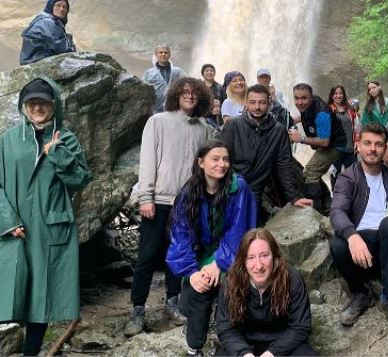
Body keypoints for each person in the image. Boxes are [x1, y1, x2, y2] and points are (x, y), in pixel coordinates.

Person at [0, 78, 93, 356]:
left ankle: (31, 353)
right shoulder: (8, 140)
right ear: (24, 106)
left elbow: (80, 179)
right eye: (32, 102)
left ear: (54, 105)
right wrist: (7, 221)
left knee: (41, 299)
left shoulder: (66, 139)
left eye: (44, 102)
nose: (38, 107)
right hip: (9, 232)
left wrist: (58, 154)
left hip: (49, 231)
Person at [126, 77, 215, 336]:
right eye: (184, 92)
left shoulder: (203, 128)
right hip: (160, 200)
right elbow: (148, 161)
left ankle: (172, 303)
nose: (189, 96)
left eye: (194, 93)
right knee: (147, 255)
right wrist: (146, 197)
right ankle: (138, 309)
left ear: (200, 97)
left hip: (188, 202)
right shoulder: (158, 121)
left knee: (179, 254)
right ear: (175, 95)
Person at [166, 141, 257, 356]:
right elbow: (180, 237)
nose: (222, 164)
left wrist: (219, 263)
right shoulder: (189, 193)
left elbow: (239, 230)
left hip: (236, 252)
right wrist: (192, 272)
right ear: (201, 162)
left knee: (232, 284)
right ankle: (194, 347)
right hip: (201, 256)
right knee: (199, 288)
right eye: (215, 159)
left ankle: (235, 342)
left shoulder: (238, 187)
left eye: (225, 159)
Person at [329, 123, 388, 330]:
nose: (372, 149)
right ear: (358, 146)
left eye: (378, 144)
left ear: (385, 149)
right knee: (337, 244)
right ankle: (360, 293)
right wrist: (352, 236)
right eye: (367, 143)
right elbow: (337, 212)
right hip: (361, 246)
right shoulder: (348, 177)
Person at [221, 84, 312, 224]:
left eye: (262, 102)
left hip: (255, 193)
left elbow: (284, 165)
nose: (257, 107)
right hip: (229, 190)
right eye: (253, 102)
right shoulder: (233, 125)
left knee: (251, 233)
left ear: (269, 103)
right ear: (246, 103)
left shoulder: (278, 131)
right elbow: (222, 159)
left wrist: (294, 197)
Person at [217, 229, 316, 357]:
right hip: (244, 345)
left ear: (274, 256)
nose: (258, 266)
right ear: (243, 261)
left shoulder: (292, 279)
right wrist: (244, 354)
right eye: (251, 258)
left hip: (284, 345)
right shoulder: (230, 282)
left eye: (264, 256)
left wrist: (272, 353)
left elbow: (300, 326)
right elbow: (226, 329)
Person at [288, 83, 348, 214]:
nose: (300, 102)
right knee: (311, 172)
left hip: (335, 145)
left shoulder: (322, 114)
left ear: (311, 97)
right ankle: (327, 201)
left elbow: (324, 142)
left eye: (304, 98)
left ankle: (316, 211)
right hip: (330, 142)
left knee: (310, 173)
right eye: (296, 98)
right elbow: (305, 115)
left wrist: (301, 139)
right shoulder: (309, 105)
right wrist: (293, 120)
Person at [19, 0, 77, 65]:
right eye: (58, 5)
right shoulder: (48, 21)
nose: (61, 9)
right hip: (36, 61)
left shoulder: (46, 20)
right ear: (51, 6)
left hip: (32, 61)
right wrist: (70, 43)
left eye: (65, 7)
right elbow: (61, 48)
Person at [142, 44, 188, 113]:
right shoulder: (149, 73)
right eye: (160, 52)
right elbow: (143, 91)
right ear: (156, 54)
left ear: (169, 55)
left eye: (166, 52)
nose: (163, 54)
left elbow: (188, 85)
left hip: (175, 108)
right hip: (155, 110)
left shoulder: (178, 71)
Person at [329, 85, 360, 180]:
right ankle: (335, 194)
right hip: (334, 151)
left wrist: (358, 141)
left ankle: (355, 194)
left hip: (350, 149)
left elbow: (357, 126)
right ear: (331, 96)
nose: (338, 96)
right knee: (335, 175)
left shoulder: (350, 109)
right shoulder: (327, 111)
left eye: (340, 93)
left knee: (354, 175)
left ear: (344, 95)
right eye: (335, 93)